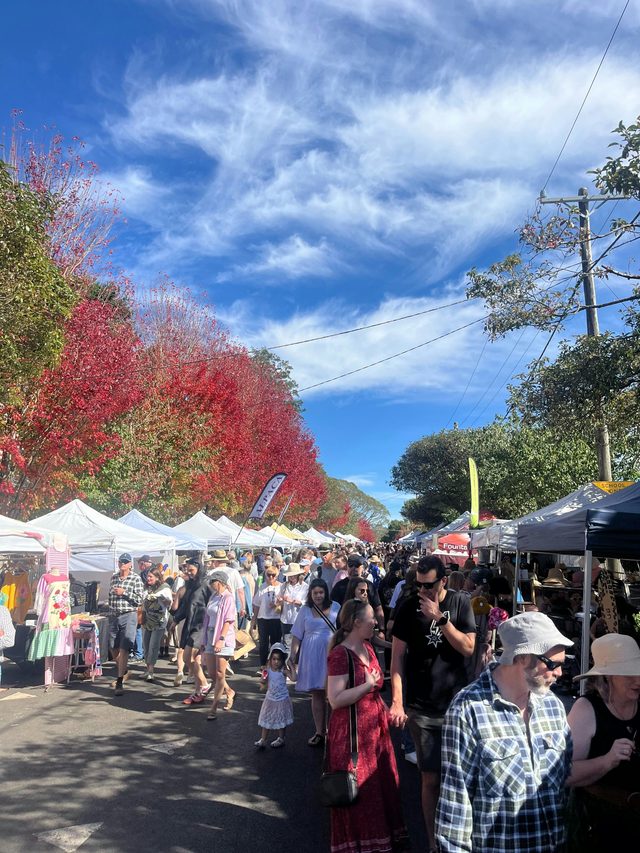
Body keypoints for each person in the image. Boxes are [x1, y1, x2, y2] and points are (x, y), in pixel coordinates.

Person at [435, 611, 574, 853]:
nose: (560, 673)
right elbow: (455, 807)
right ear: (521, 658)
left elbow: (565, 780)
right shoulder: (468, 709)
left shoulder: (553, 706)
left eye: (564, 663)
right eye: (552, 664)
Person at [389, 555, 476, 852]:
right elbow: (397, 658)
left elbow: (468, 648)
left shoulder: (460, 603)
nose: (423, 591)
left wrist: (440, 618)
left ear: (443, 580)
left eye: (429, 585)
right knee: (431, 778)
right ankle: (433, 842)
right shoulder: (407, 608)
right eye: (419, 585)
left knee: (461, 776)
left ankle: (462, 837)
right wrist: (398, 702)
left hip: (458, 706)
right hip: (422, 707)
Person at [326, 599, 409, 853]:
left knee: (381, 788)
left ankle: (382, 842)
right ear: (356, 622)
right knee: (360, 792)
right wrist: (367, 685)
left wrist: (389, 710)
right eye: (371, 618)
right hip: (352, 736)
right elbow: (335, 700)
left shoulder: (368, 647)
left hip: (374, 731)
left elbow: (374, 694)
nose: (376, 622)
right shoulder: (340, 654)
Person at [565, 633, 640, 850]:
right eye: (628, 674)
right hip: (599, 827)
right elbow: (564, 774)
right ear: (606, 676)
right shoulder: (587, 709)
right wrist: (607, 760)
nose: (637, 680)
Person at [290, 579, 340, 746]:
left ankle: (334, 731)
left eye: (321, 592)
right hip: (311, 655)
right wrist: (292, 656)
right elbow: (297, 634)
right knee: (317, 693)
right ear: (310, 594)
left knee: (333, 694)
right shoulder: (305, 610)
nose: (318, 596)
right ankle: (320, 732)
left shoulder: (336, 607)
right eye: (315, 593)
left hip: (332, 654)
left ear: (326, 592)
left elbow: (343, 630)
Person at [170, 559, 211, 705]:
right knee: (192, 660)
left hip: (201, 626)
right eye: (187, 570)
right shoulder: (190, 585)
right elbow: (186, 606)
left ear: (199, 569)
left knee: (189, 657)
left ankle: (204, 686)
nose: (188, 573)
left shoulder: (206, 584)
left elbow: (214, 603)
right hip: (190, 624)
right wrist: (176, 620)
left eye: (191, 570)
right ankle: (199, 691)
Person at [202, 569, 237, 720]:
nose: (210, 584)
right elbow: (208, 617)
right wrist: (205, 639)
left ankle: (214, 706)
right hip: (210, 633)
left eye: (212, 581)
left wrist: (221, 638)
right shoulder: (213, 596)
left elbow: (229, 620)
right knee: (212, 673)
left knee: (219, 673)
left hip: (223, 635)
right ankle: (229, 691)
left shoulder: (228, 597)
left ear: (220, 582)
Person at [108, 553, 145, 696]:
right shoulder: (114, 577)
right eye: (120, 562)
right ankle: (124, 671)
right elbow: (111, 597)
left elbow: (140, 599)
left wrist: (124, 592)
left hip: (129, 615)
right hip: (114, 615)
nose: (122, 564)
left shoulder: (135, 579)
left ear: (130, 564)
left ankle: (119, 681)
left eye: (125, 562)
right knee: (113, 649)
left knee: (124, 649)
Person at [331, 555, 386, 642]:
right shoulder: (339, 586)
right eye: (350, 565)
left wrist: (381, 630)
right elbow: (332, 610)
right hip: (344, 633)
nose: (353, 568)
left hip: (365, 633)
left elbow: (378, 608)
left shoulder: (369, 586)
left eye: (357, 565)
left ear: (363, 567)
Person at [255, 642, 294, 749]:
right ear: (270, 659)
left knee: (281, 720)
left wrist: (291, 667)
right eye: (274, 659)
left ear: (283, 660)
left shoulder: (283, 671)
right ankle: (263, 739)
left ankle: (281, 738)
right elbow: (262, 683)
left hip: (281, 699)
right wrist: (263, 679)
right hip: (270, 698)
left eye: (279, 659)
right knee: (266, 719)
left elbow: (294, 679)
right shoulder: (267, 671)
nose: (276, 662)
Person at [141, 566, 173, 682]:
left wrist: (162, 599)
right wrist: (142, 617)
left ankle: (151, 671)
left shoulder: (164, 588)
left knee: (153, 646)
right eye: (147, 576)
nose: (148, 578)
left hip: (159, 622)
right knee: (146, 645)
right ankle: (147, 669)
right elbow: (143, 604)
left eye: (150, 576)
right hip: (147, 620)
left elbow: (169, 603)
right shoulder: (147, 588)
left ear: (157, 577)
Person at [251, 566, 283, 669]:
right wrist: (253, 621)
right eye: (268, 575)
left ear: (277, 576)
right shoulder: (262, 587)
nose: (271, 577)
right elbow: (256, 605)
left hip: (276, 619)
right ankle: (263, 665)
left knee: (275, 643)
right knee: (263, 644)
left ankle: (274, 664)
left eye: (273, 575)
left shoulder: (281, 587)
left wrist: (278, 604)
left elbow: (285, 603)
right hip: (263, 619)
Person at [277, 564, 308, 650]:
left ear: (298, 575)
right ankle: (288, 662)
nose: (291, 578)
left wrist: (298, 602)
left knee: (299, 644)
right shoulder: (284, 585)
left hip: (298, 618)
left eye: (293, 576)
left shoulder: (305, 587)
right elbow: (279, 598)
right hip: (286, 618)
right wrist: (280, 599)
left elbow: (307, 602)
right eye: (290, 576)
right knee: (287, 644)